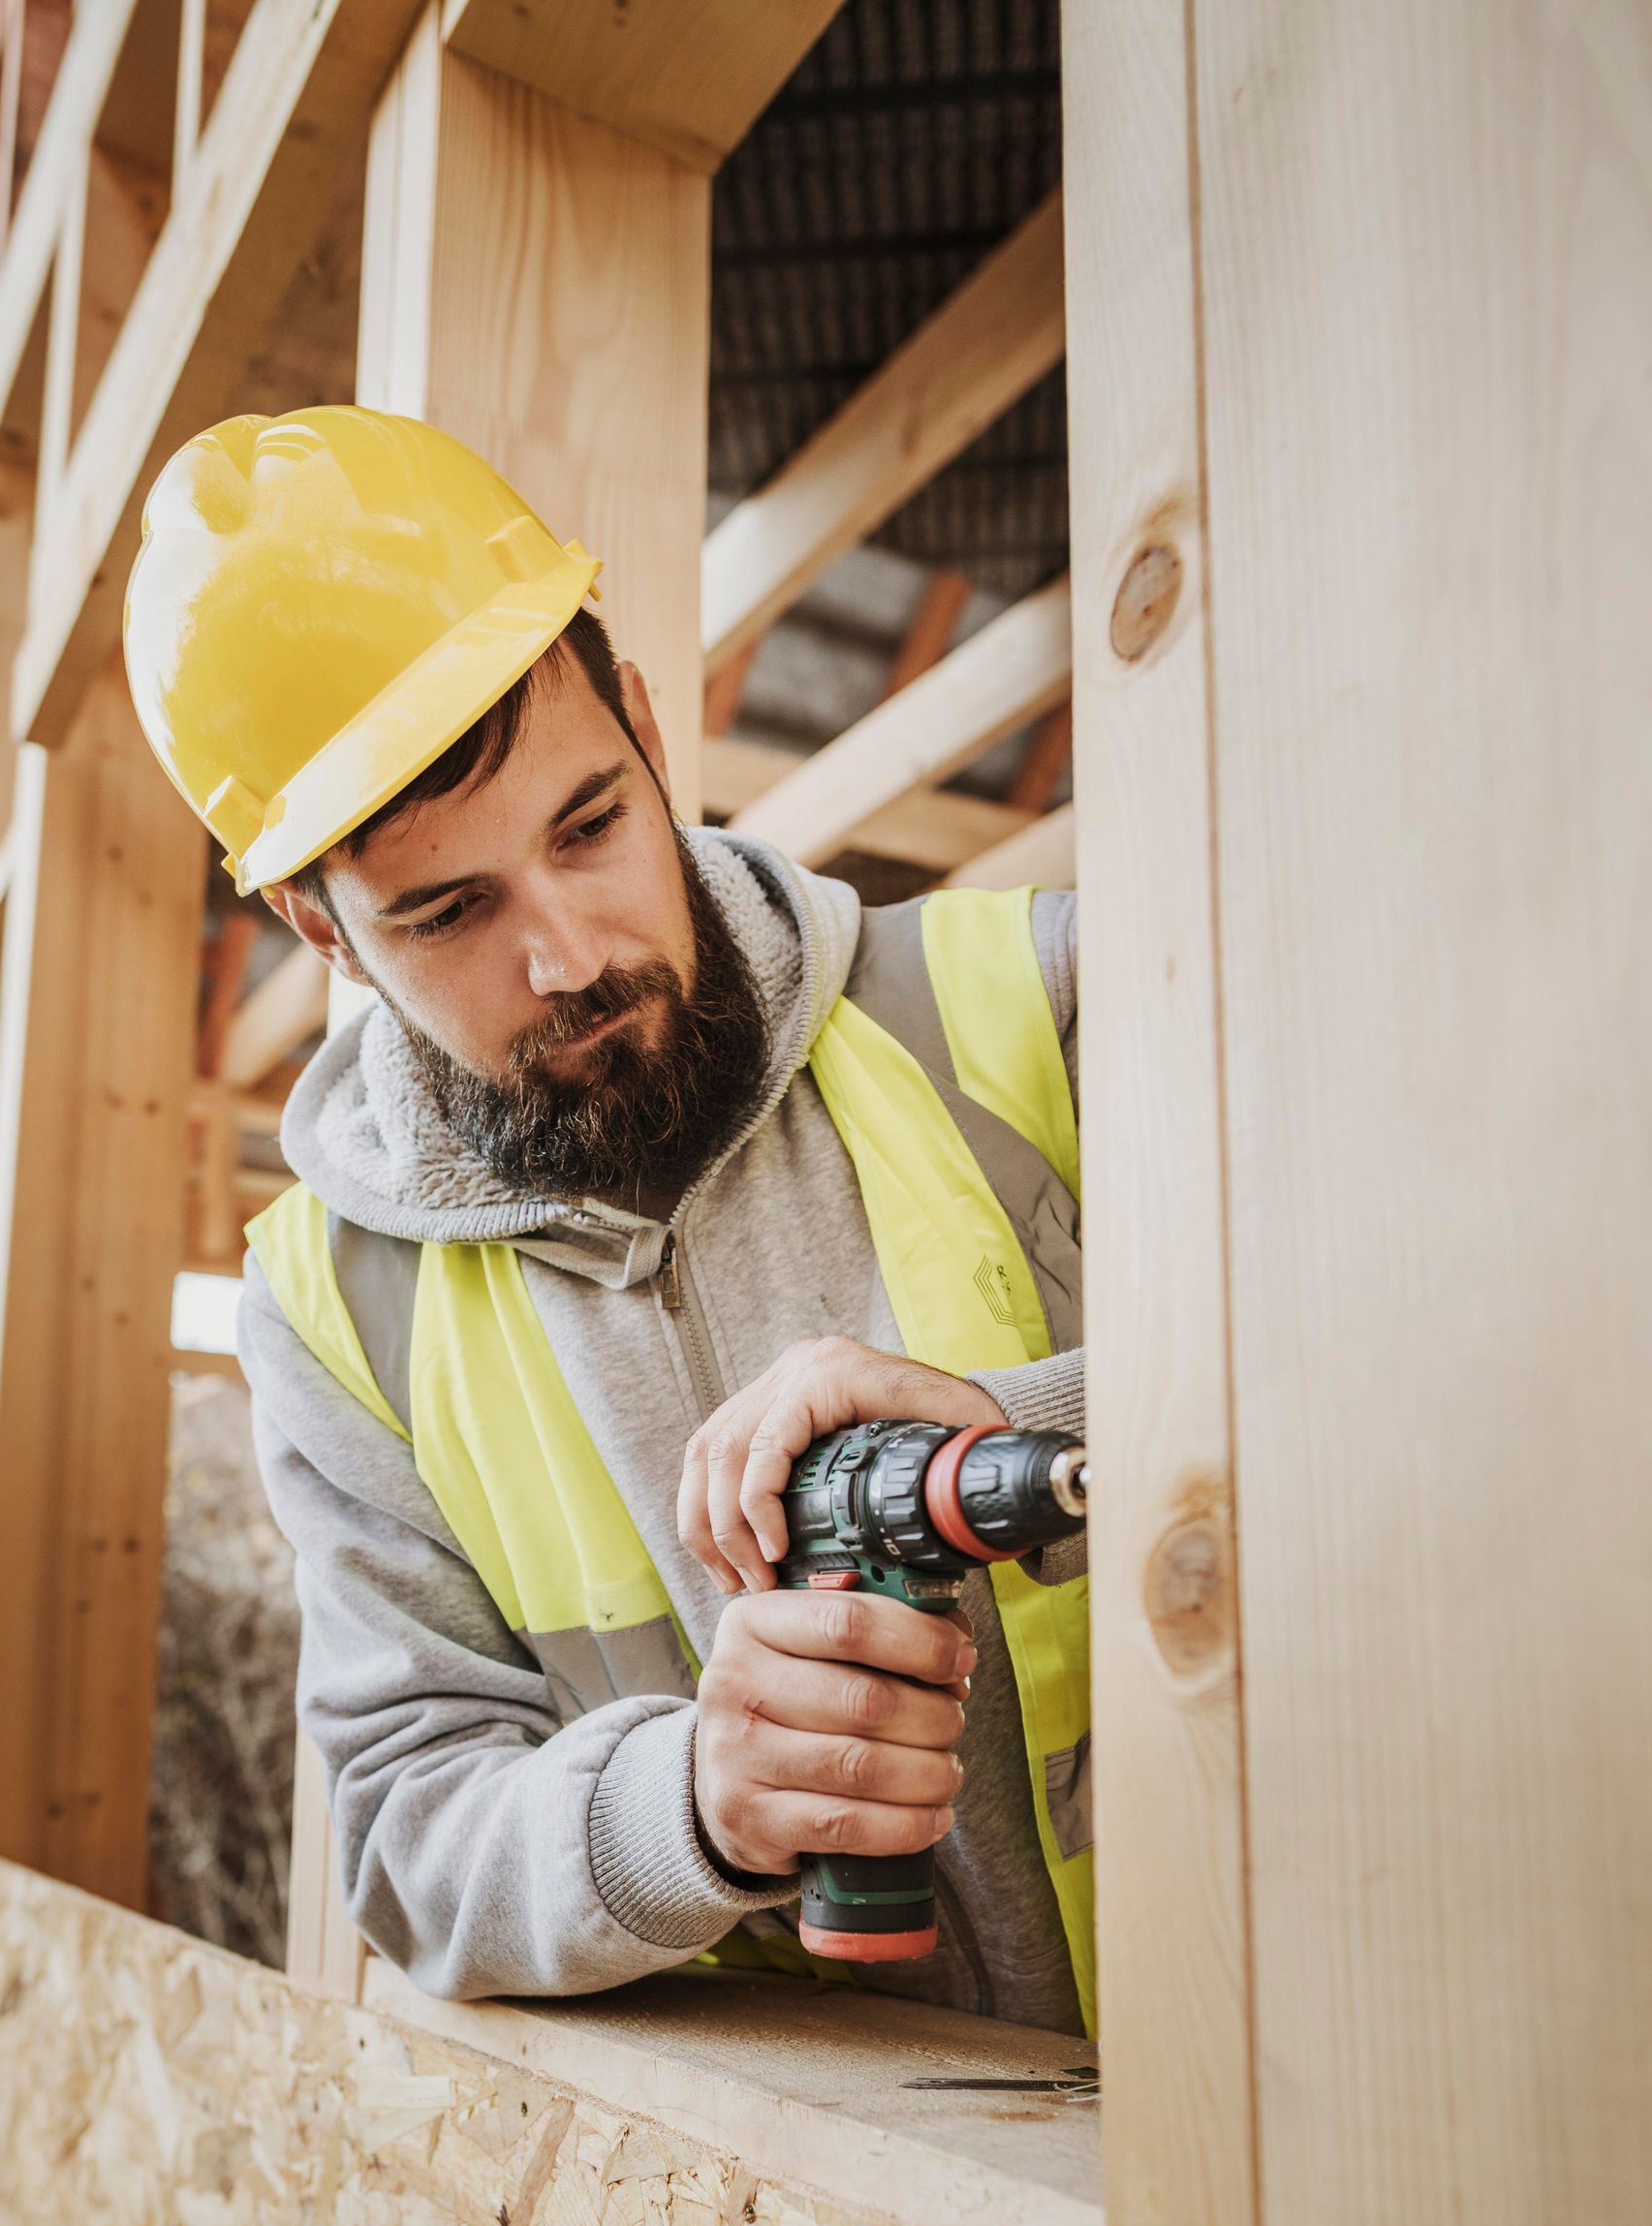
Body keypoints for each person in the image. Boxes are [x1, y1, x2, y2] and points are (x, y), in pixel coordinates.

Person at [124, 406, 1093, 2033]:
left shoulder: (1030, 1005)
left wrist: (1016, 1441)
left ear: (645, 728)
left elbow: (1429, 1351)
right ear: (327, 931)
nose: (568, 955)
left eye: (590, 827)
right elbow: (410, 1828)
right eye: (449, 912)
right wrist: (693, 1810)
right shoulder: (332, 1307)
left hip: (1270, 2108)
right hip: (863, 2211)